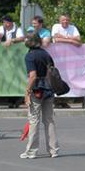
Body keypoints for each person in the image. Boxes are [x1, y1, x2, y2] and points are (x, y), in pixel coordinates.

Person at [21, 32, 59, 160]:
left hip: (37, 89)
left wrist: (27, 92)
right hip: (49, 88)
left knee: (34, 120)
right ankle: (53, 150)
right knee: (49, 120)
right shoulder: (46, 54)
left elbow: (33, 76)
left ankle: (32, 151)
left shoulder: (30, 56)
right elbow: (52, 71)